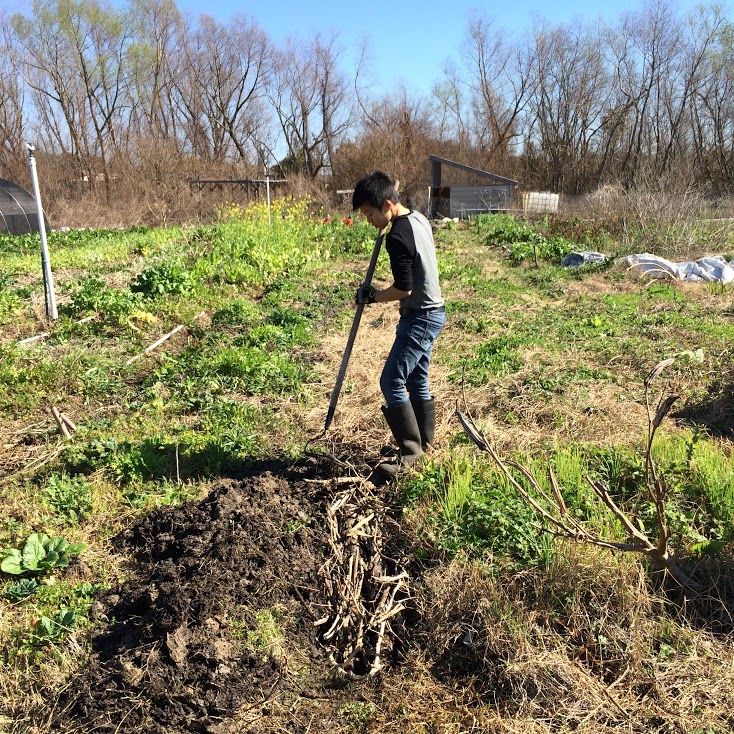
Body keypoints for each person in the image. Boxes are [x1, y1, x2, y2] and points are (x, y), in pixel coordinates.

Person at [352, 171, 446, 484]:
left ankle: (411, 453)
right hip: (434, 311)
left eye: (369, 213)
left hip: (420, 316)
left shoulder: (397, 236)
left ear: (388, 204)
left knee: (391, 380)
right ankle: (425, 443)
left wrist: (372, 296)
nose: (368, 220)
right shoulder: (418, 219)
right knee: (417, 379)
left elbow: (404, 288)